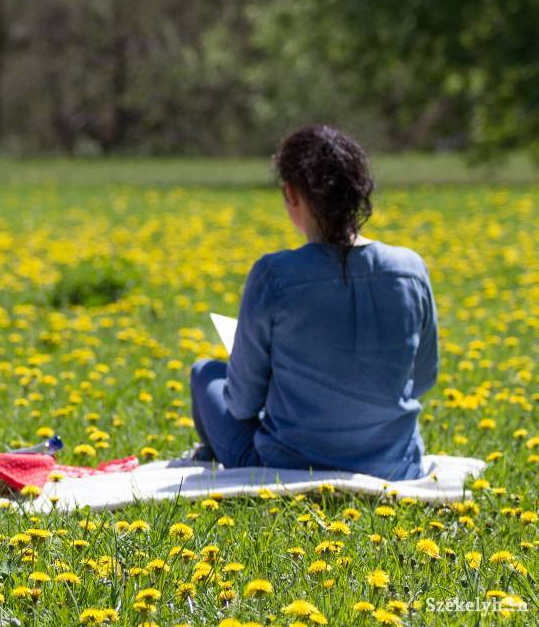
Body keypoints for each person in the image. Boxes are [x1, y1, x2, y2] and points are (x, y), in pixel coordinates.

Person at [187, 125, 439, 481]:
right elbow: (423, 378)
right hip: (392, 463)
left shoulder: (274, 275)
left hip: (284, 467)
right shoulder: (410, 270)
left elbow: (242, 403)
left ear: (291, 193)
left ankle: (209, 455)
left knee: (205, 373)